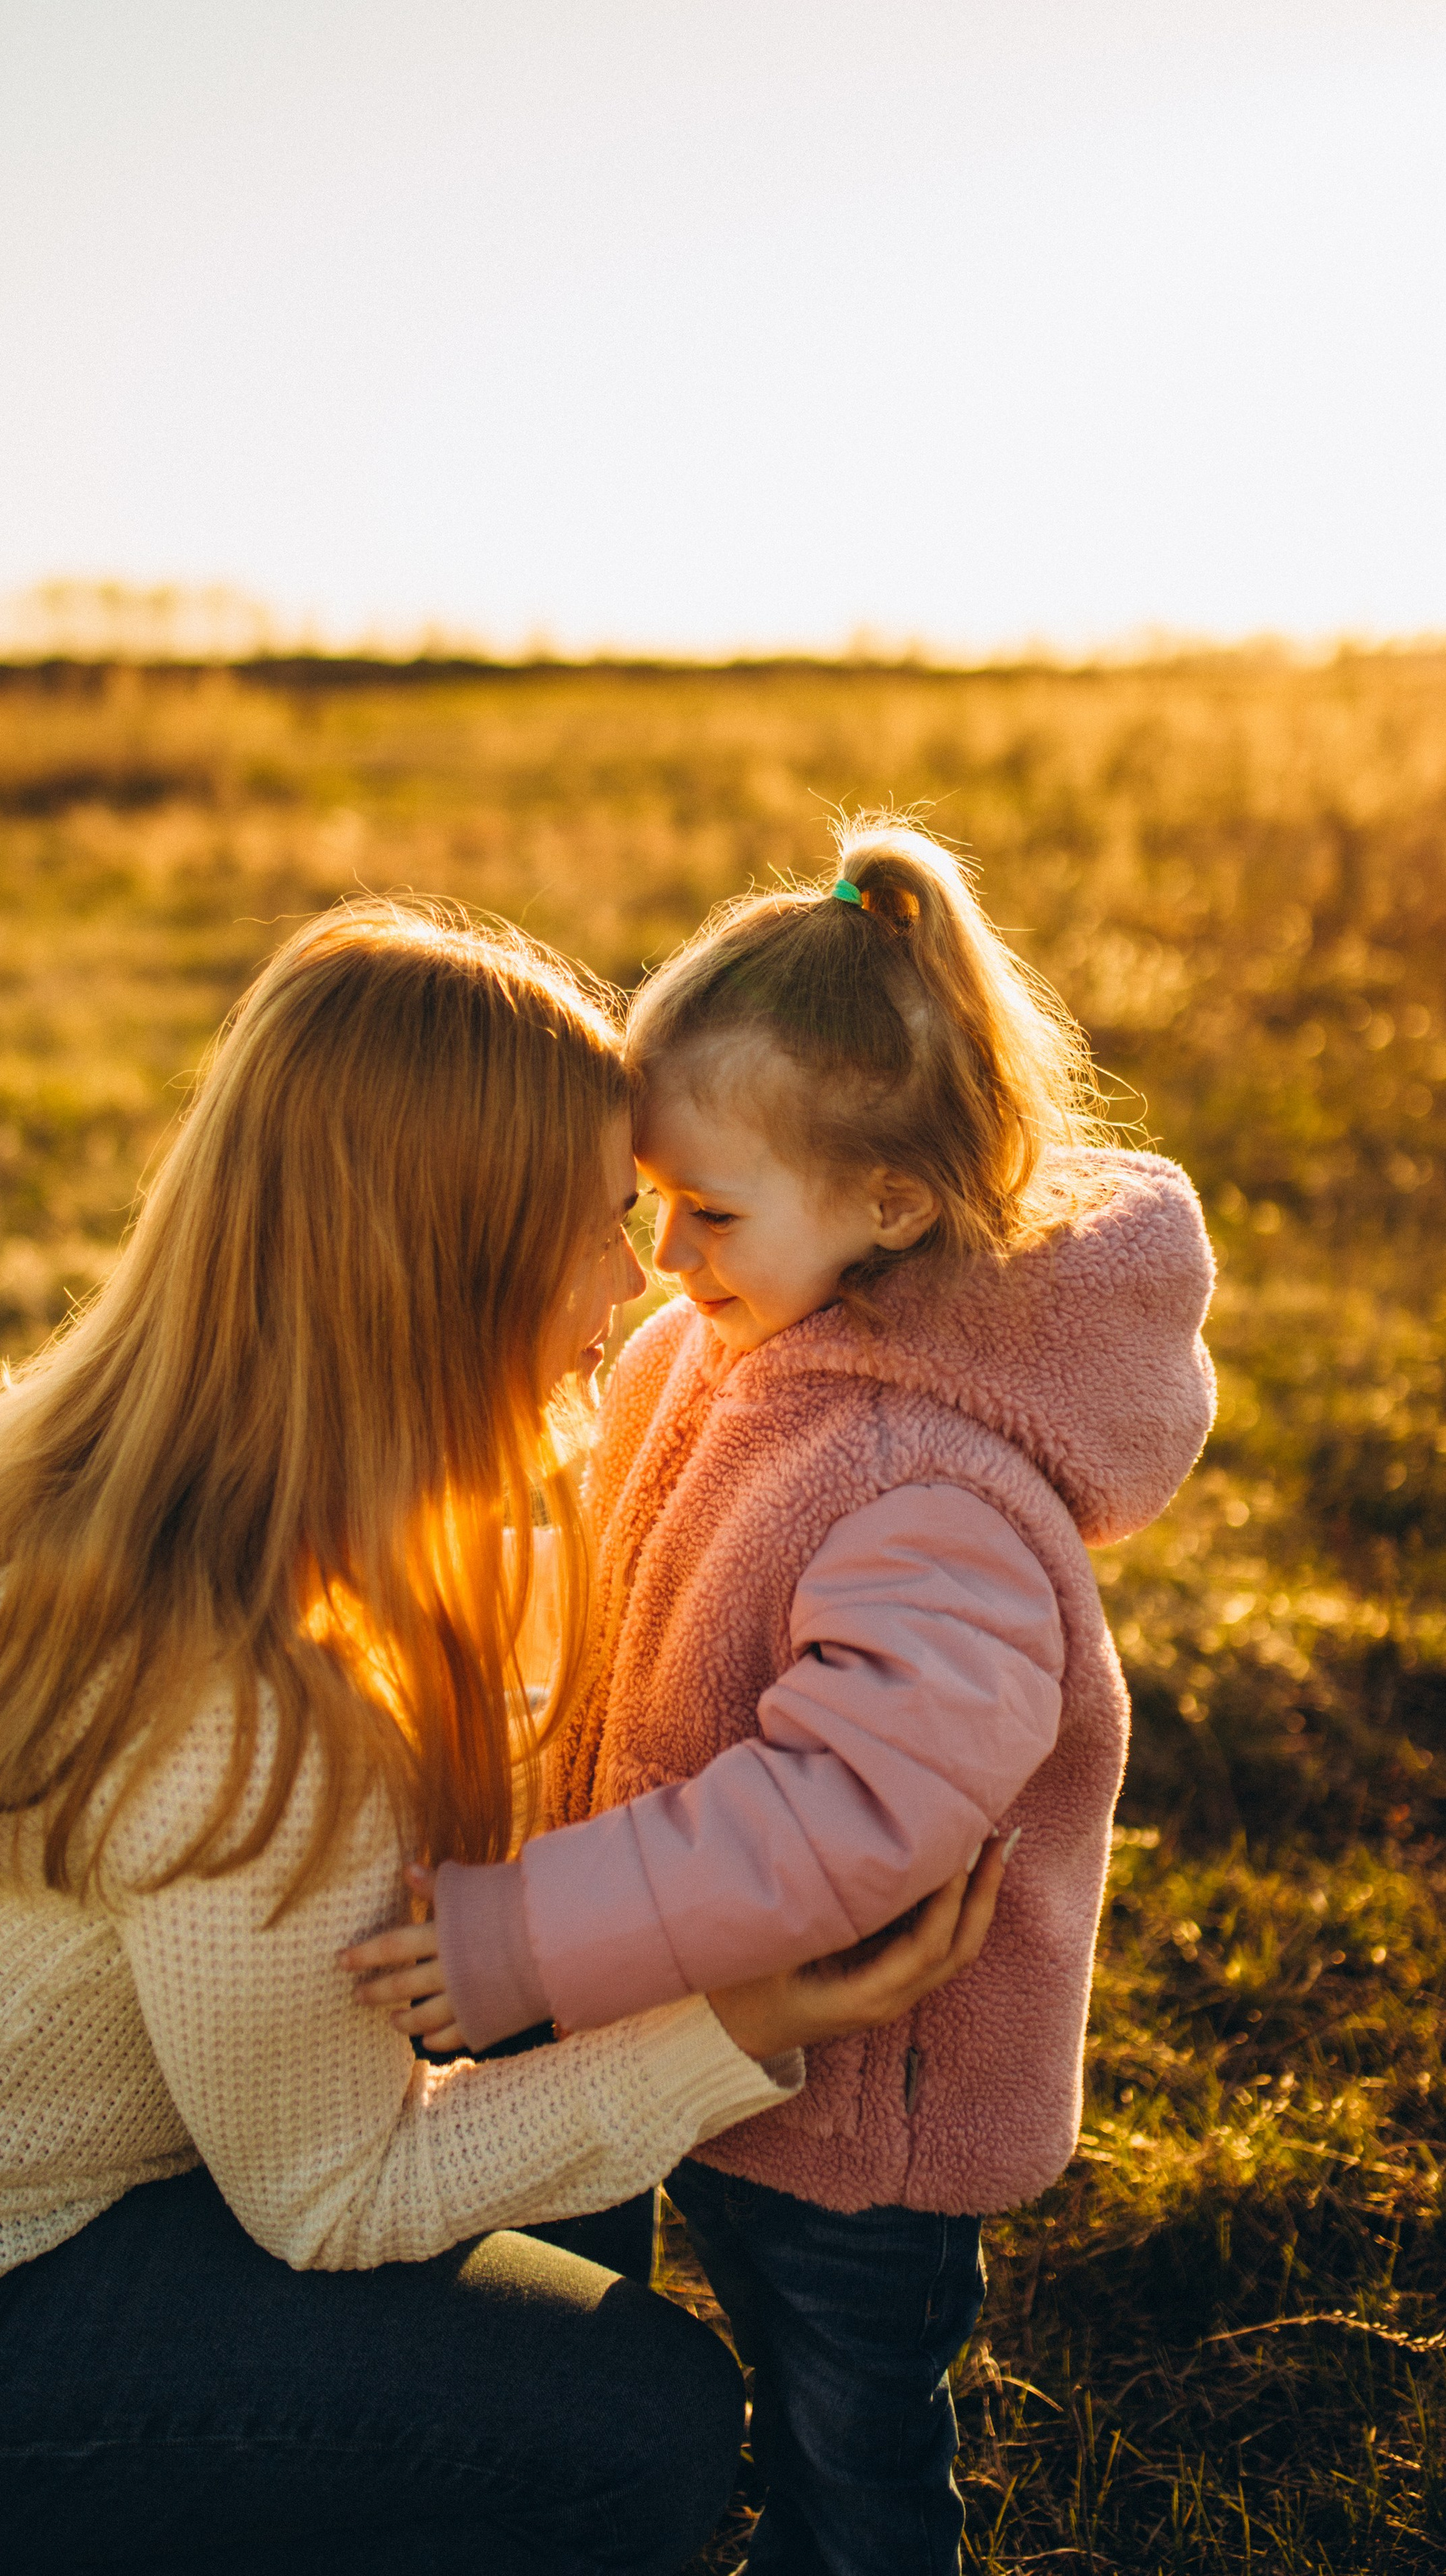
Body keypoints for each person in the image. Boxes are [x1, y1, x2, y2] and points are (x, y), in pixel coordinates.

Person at [0, 900, 1004, 2576]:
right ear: (445, 1268)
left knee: (523, 2028)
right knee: (635, 2428)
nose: (638, 1275)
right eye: (593, 1224)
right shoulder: (236, 1691)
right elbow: (330, 2197)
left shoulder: (124, 1455)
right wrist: (736, 2019)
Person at [345, 828, 1217, 2576]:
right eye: (646, 1204)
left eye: (708, 1212)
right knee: (604, 2332)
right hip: (677, 2027)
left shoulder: (928, 1480)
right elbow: (643, 1578)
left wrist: (524, 1938)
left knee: (850, 2450)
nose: (663, 1254)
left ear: (887, 1204)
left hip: (850, 2115)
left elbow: (843, 1821)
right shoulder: (725, 1335)